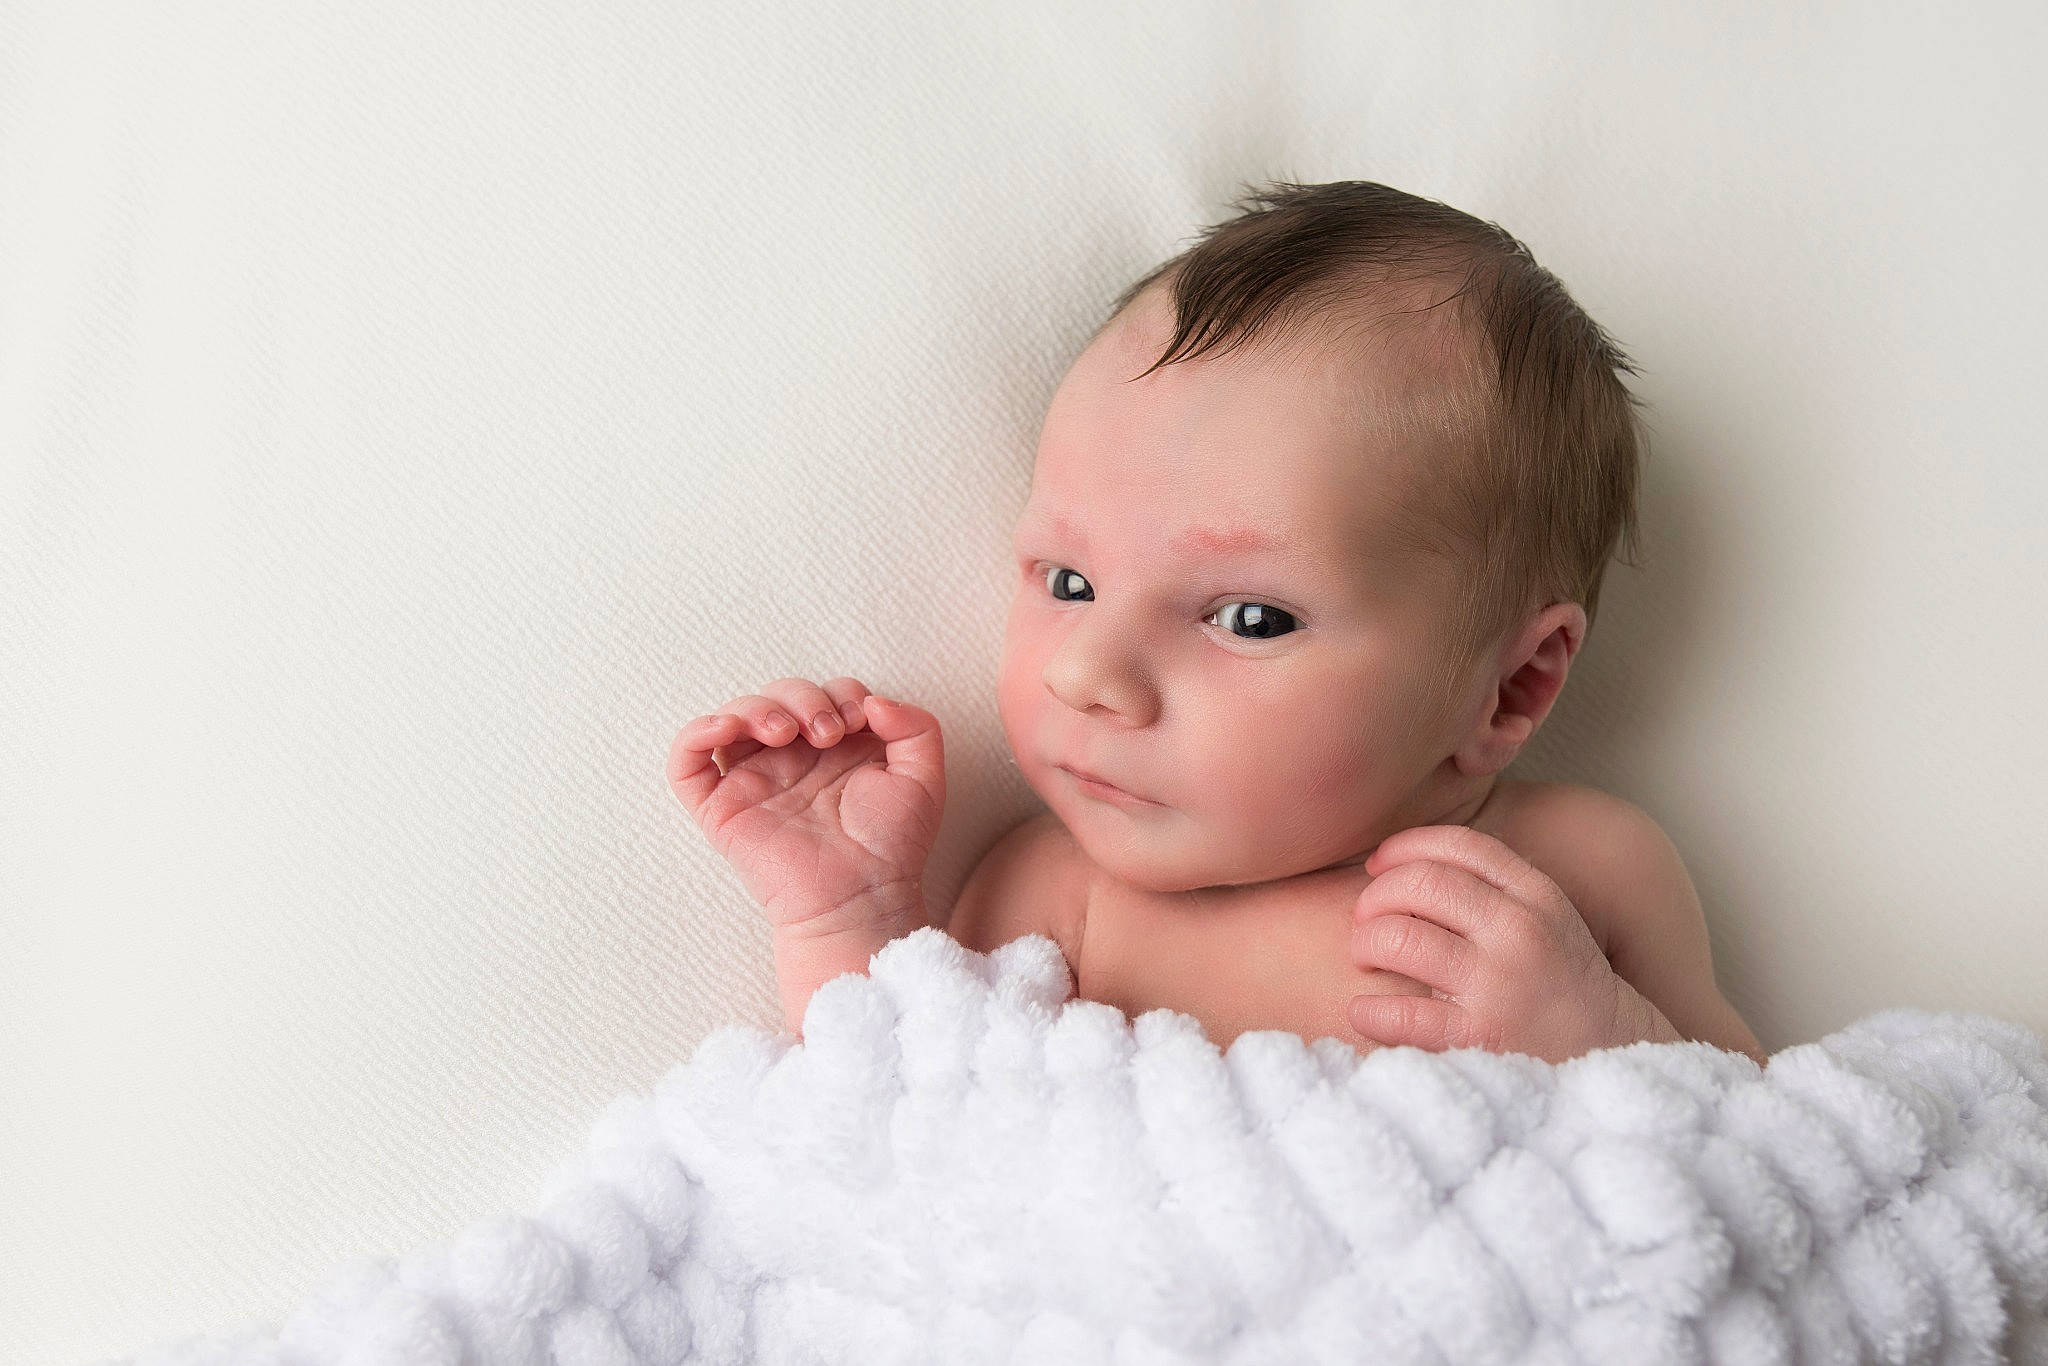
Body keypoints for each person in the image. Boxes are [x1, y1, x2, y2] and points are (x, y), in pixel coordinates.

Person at [667, 180, 1766, 1068]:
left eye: (1247, 616)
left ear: (1510, 687)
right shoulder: (1056, 892)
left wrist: (1602, 1038)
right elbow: (905, 1126)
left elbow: (1771, 1153)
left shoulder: (1577, 869)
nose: (1090, 673)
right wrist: (848, 916)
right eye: (1068, 583)